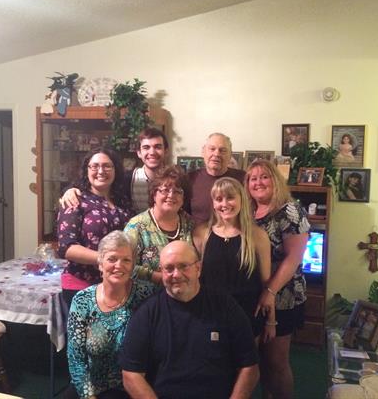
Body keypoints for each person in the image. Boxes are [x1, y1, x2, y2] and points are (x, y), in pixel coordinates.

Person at [119, 241, 259, 399]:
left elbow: (249, 366)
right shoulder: (147, 313)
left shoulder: (226, 306)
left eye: (183, 266)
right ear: (161, 271)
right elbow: (131, 374)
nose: (176, 275)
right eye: (169, 268)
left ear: (198, 268)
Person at [245, 159, 310, 399]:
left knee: (276, 361)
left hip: (283, 296)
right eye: (253, 178)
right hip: (255, 294)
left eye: (264, 177)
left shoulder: (289, 210)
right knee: (260, 359)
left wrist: (270, 291)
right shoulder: (248, 212)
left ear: (275, 180)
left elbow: (293, 258)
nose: (258, 182)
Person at [67, 231, 153, 399]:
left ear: (133, 265)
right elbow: (76, 359)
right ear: (100, 264)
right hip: (91, 388)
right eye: (112, 259)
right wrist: (89, 396)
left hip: (134, 390)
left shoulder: (146, 296)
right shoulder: (82, 301)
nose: (118, 265)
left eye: (126, 260)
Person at [193, 177, 275, 341]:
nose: (224, 204)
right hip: (211, 314)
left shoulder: (257, 236)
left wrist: (271, 321)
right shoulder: (202, 233)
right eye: (219, 199)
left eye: (230, 197)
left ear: (241, 200)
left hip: (248, 314)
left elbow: (267, 285)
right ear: (213, 203)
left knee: (248, 358)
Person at [57, 148, 132, 308]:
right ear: (87, 170)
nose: (101, 171)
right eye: (95, 166)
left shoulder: (122, 201)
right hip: (82, 285)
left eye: (107, 166)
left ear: (115, 170)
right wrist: (106, 259)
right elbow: (66, 248)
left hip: (117, 285)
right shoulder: (75, 200)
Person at [61, 127, 169, 214]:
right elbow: (95, 183)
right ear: (139, 153)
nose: (152, 152)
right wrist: (71, 190)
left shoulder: (175, 180)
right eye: (146, 147)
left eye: (158, 147)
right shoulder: (127, 179)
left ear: (166, 151)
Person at [123, 165, 194, 295]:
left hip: (184, 297)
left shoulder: (189, 223)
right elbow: (124, 265)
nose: (171, 195)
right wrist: (158, 277)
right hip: (146, 299)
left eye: (178, 191)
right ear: (154, 194)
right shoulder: (136, 226)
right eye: (165, 190)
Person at [186, 133, 246, 224]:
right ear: (203, 152)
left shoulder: (243, 178)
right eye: (212, 149)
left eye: (222, 150)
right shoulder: (190, 179)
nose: (217, 154)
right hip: (198, 232)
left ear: (230, 155)